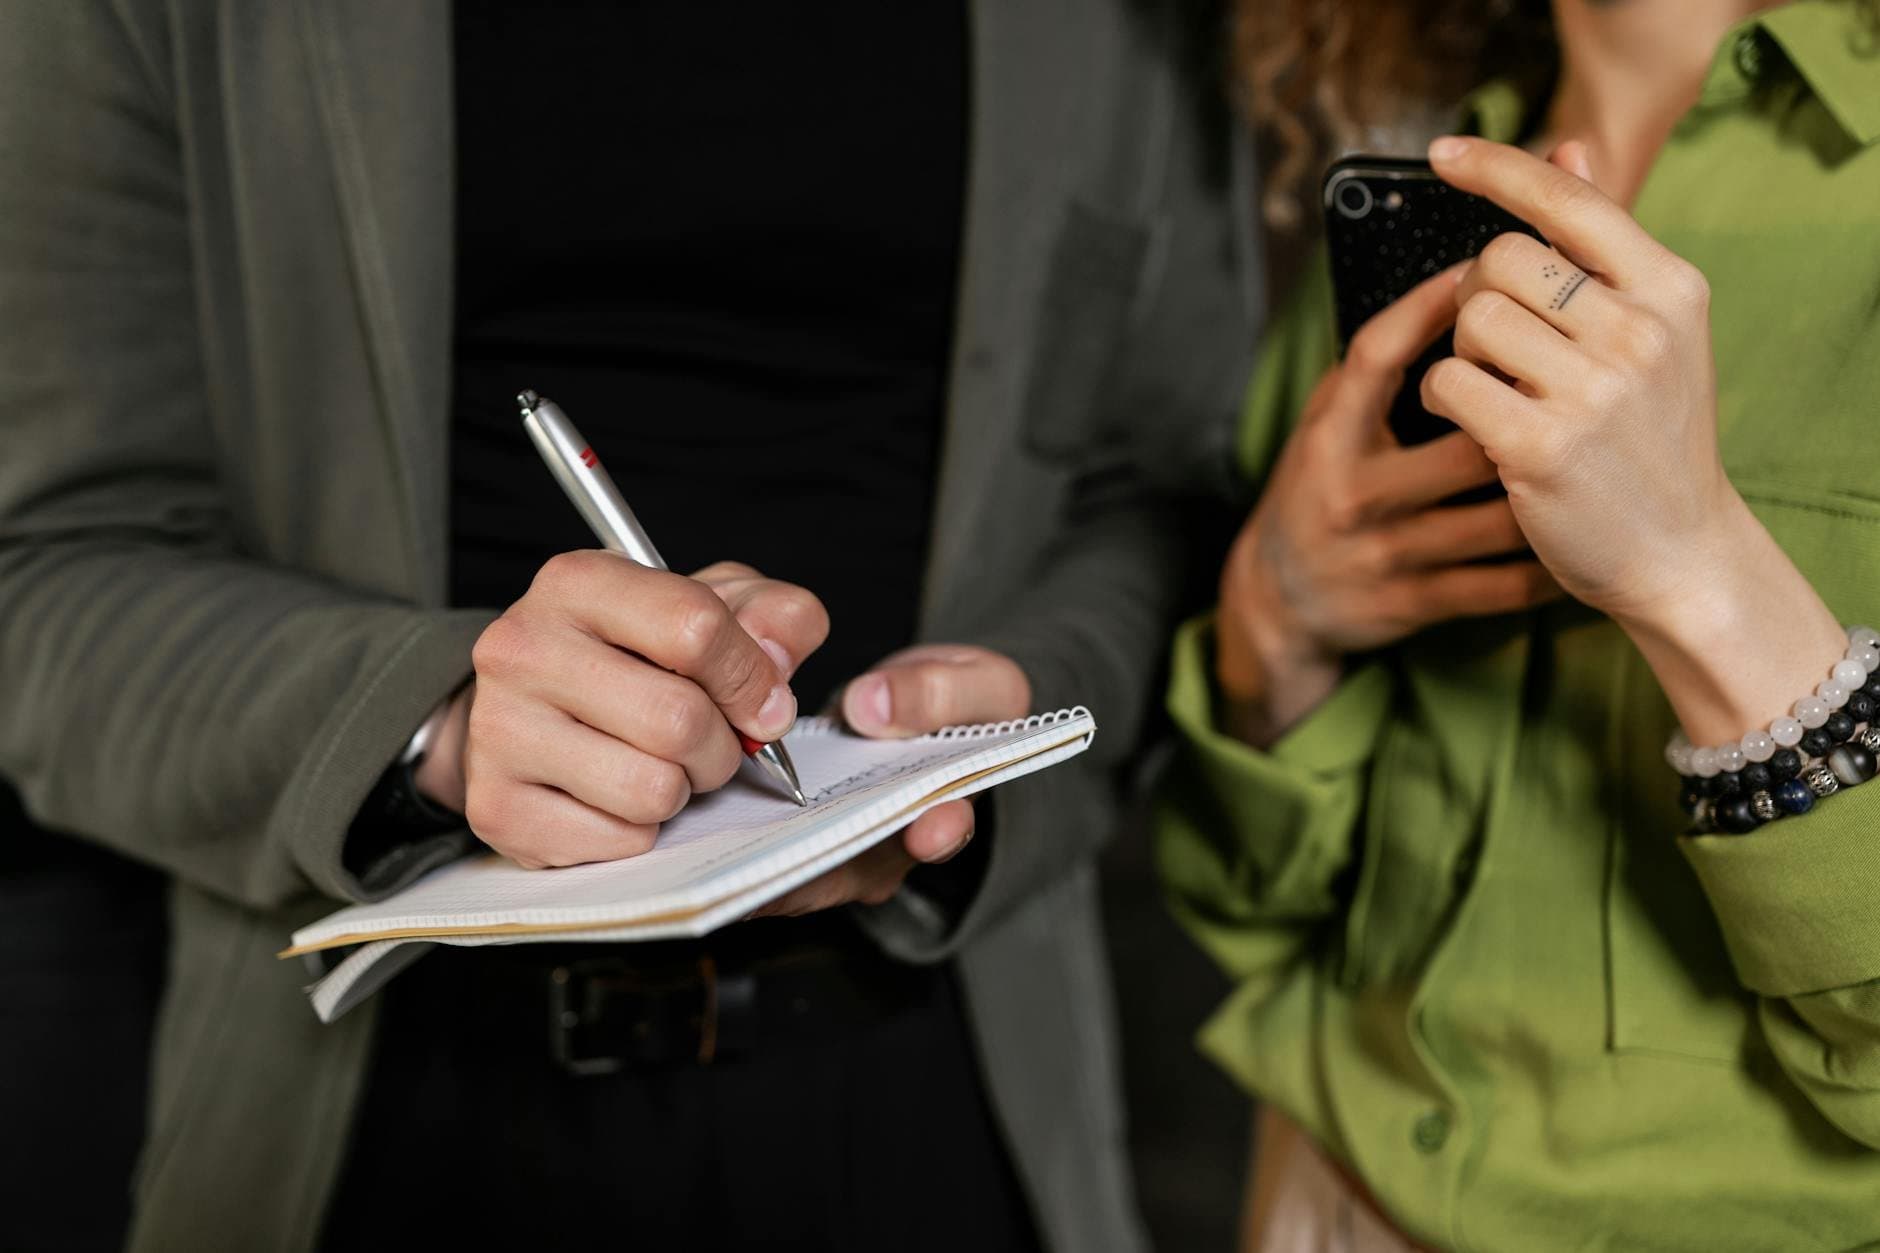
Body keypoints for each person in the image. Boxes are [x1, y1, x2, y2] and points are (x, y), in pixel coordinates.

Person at [0, 3, 1255, 1250]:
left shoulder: (1123, 28)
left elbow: (1165, 494)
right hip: (376, 1112)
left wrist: (1022, 702)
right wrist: (435, 728)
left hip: (951, 1075)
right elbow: (45, 577)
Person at [1158, 0, 1880, 1248]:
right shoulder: (1409, 203)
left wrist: (1695, 569)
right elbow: (1242, 902)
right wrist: (1271, 630)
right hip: (1320, 1190)